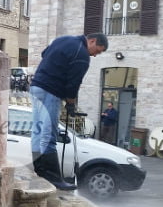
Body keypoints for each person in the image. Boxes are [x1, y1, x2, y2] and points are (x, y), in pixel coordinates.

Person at [30, 33, 108, 190]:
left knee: (38, 131)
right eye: (97, 51)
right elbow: (73, 84)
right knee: (49, 134)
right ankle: (53, 178)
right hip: (51, 91)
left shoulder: (63, 39)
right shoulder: (82, 55)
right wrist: (71, 104)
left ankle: (40, 170)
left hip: (36, 87)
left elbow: (45, 54)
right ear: (92, 41)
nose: (95, 55)